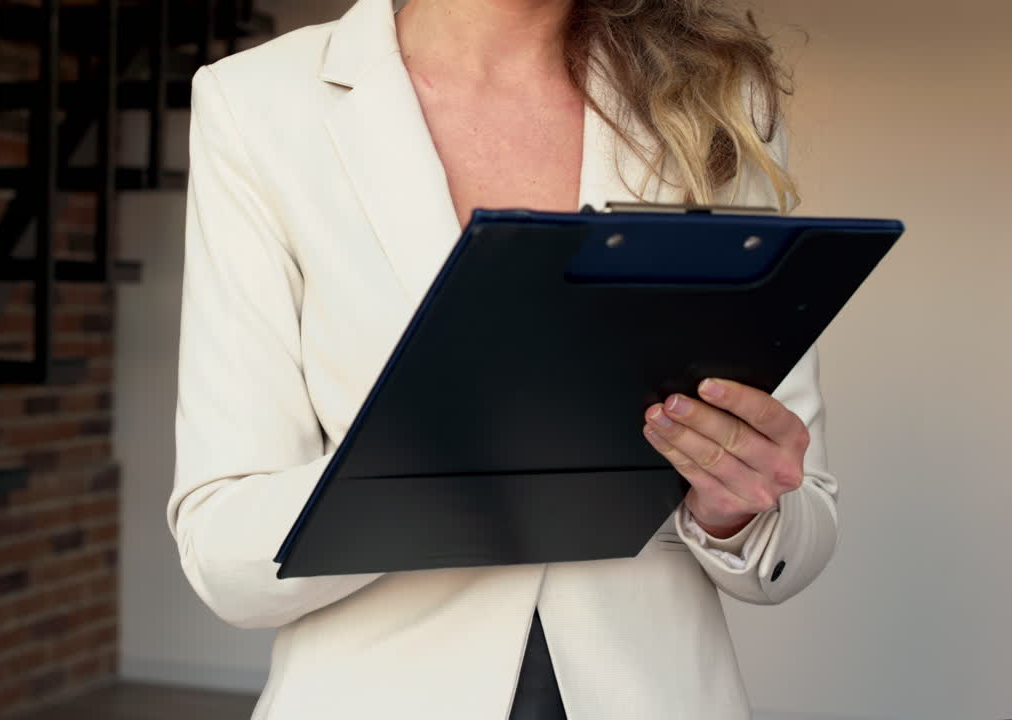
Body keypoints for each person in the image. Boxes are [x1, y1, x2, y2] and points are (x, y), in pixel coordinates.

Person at [167, 0, 837, 717]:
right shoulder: (256, 103)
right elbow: (223, 552)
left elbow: (801, 522)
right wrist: (443, 467)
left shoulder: (714, 94)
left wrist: (734, 510)